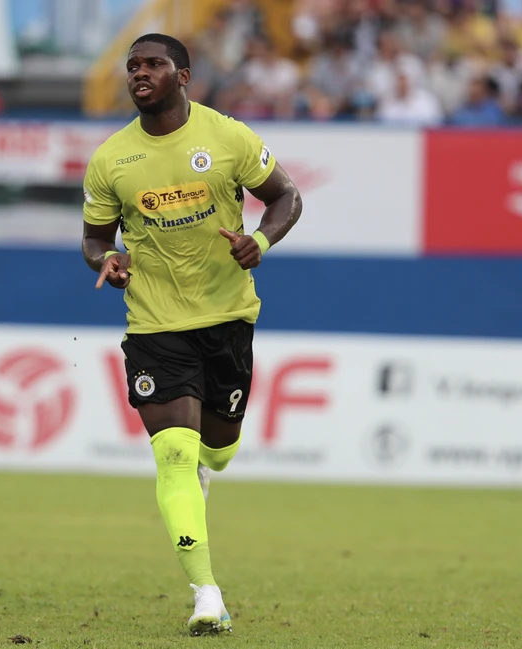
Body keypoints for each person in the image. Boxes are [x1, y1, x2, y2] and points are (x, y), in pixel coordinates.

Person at [81, 33, 302, 636]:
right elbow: (95, 238)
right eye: (132, 66)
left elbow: (285, 196)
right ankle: (207, 593)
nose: (139, 73)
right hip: (154, 325)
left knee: (219, 449)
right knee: (173, 455)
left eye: (152, 64)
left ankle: (210, 463)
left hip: (227, 318)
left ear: (182, 76)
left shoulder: (227, 137)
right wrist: (107, 259)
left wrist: (260, 240)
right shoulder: (111, 159)